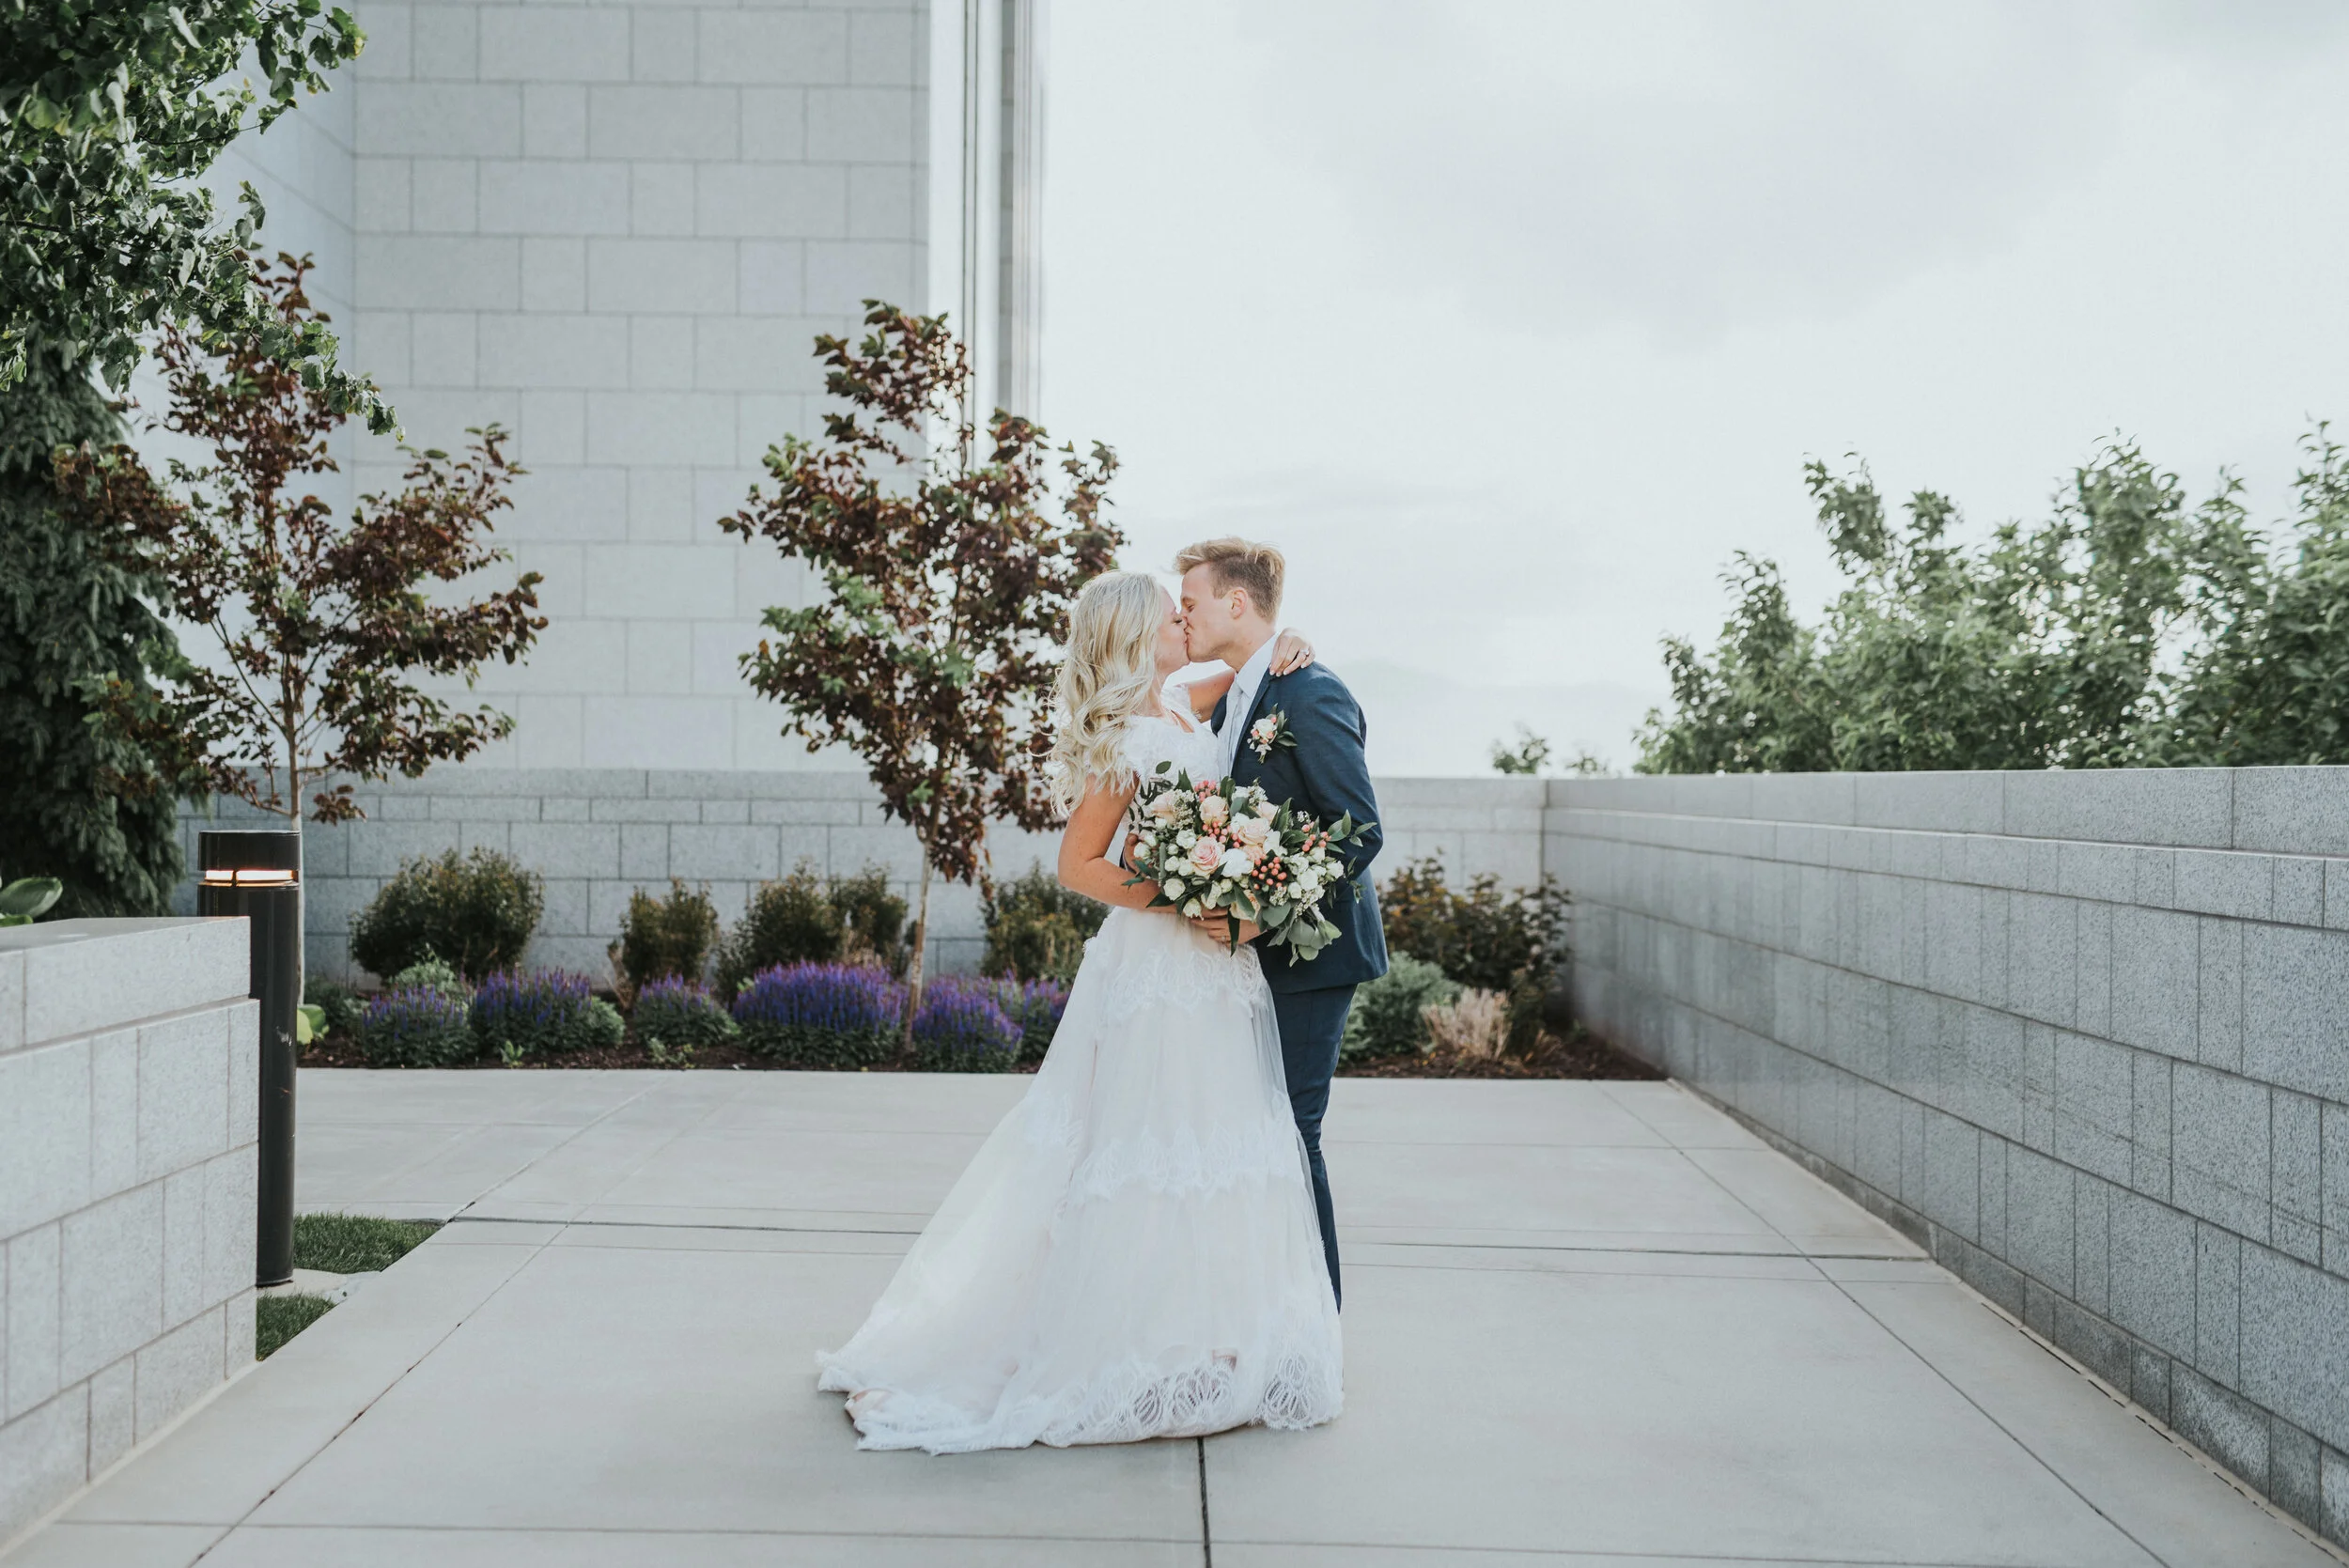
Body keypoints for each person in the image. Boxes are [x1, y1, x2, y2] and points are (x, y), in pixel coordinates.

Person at [816, 571, 1343, 1452]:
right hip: (1159, 965)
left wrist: (1295, 644)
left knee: (1217, 1136)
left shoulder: (1184, 700)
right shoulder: (1129, 739)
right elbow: (1078, 864)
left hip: (1218, 972)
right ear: (1139, 637)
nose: (1185, 621)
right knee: (1148, 1143)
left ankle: (1210, 1332)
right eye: (1170, 617)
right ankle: (1122, 1341)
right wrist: (1179, 893)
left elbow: (1253, 677)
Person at [1174, 536, 1385, 1308]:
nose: (1182, 613)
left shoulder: (1310, 692)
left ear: (1238, 601)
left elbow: (1359, 828)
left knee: (1296, 1137)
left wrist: (1262, 915)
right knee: (1256, 1137)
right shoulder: (1235, 696)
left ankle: (1316, 1324)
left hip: (1313, 956)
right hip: (1245, 961)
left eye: (1190, 600)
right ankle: (1266, 1311)